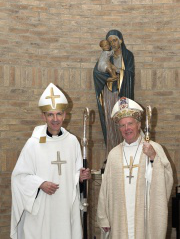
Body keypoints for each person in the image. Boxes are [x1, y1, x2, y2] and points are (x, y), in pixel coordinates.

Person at [10, 83, 91, 239]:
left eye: (59, 114)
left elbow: (74, 177)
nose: (55, 119)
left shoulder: (73, 142)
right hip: (42, 211)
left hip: (65, 209)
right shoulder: (33, 144)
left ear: (65, 115)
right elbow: (18, 177)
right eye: (50, 115)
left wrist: (80, 178)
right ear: (43, 117)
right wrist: (40, 184)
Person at [97, 97, 173, 239]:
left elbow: (166, 180)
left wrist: (153, 158)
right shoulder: (114, 154)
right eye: (122, 125)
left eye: (130, 123)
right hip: (119, 218)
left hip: (145, 218)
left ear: (138, 125)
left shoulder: (154, 148)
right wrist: (103, 217)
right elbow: (105, 189)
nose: (127, 129)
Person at [93, 30, 135, 155]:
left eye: (115, 40)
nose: (113, 43)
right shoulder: (106, 55)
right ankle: (112, 153)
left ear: (120, 40)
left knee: (123, 121)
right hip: (109, 93)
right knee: (110, 121)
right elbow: (96, 72)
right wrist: (106, 78)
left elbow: (130, 74)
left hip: (122, 93)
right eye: (110, 41)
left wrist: (119, 71)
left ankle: (126, 152)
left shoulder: (127, 56)